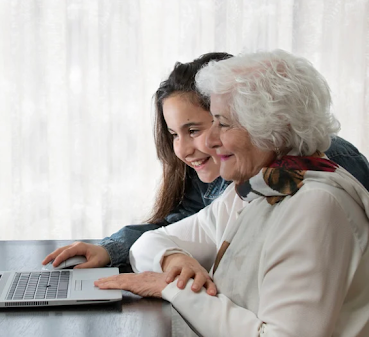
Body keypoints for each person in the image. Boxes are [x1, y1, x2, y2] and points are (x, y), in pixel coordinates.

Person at [94, 49, 369, 336]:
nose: (211, 140)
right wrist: (172, 260)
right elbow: (148, 243)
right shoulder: (256, 189)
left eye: (223, 123)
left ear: (273, 127)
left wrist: (174, 288)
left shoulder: (315, 205)